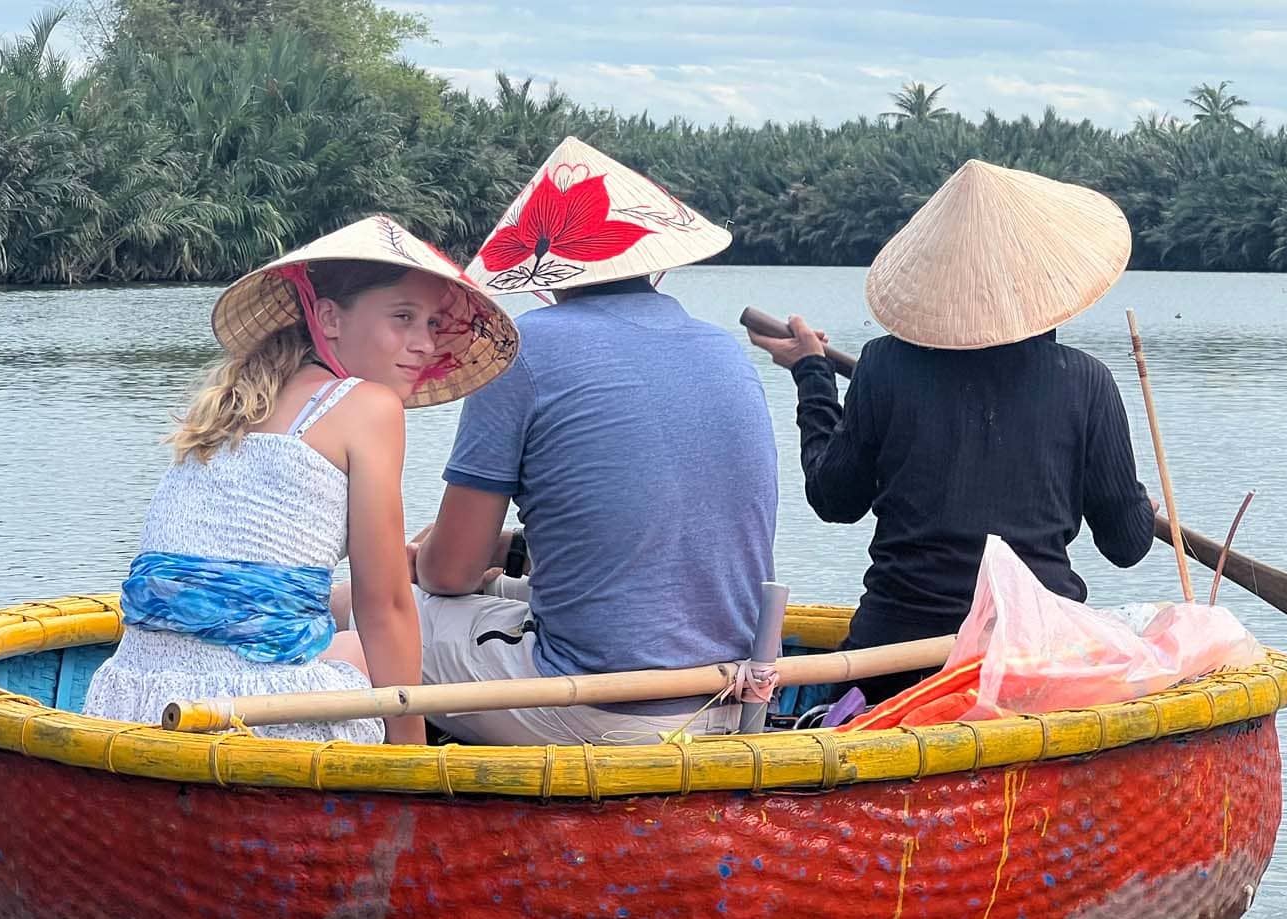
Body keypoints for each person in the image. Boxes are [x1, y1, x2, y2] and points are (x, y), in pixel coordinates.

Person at [83, 215, 518, 744]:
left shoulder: (232, 409)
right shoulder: (370, 408)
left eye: (431, 324)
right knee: (360, 641)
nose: (424, 343)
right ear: (330, 318)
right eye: (402, 317)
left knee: (333, 605)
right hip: (248, 715)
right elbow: (385, 607)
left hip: (129, 699)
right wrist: (412, 756)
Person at [747, 160, 1158, 703]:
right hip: (1031, 659)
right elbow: (1126, 544)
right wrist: (1139, 507)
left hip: (894, 658)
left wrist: (813, 376)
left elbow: (833, 498)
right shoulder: (1086, 382)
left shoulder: (884, 364)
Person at [411, 136, 777, 745]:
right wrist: (509, 553)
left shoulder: (522, 352)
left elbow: (449, 573)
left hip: (601, 709)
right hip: (726, 697)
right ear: (654, 260)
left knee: (363, 614)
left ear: (543, 269)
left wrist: (415, 562)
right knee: (495, 596)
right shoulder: (724, 350)